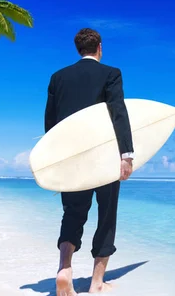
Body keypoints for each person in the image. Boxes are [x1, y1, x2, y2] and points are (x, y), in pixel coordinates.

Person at [44, 28, 135, 295]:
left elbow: (51, 123)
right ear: (100, 47)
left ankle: (65, 269)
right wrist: (126, 154)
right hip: (104, 157)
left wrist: (55, 159)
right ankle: (96, 282)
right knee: (106, 216)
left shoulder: (57, 78)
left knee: (72, 213)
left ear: (78, 49)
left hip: (72, 159)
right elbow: (118, 111)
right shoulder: (111, 73)